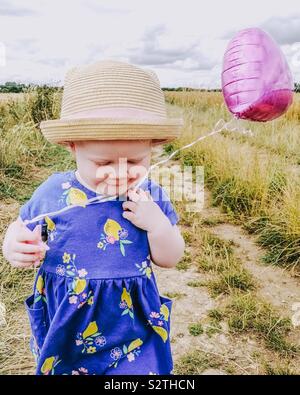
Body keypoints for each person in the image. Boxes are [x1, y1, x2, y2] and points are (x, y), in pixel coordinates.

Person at [2, 60, 185, 375]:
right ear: (73, 146)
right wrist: (12, 244)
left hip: (130, 326)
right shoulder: (52, 192)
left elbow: (170, 257)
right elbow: (19, 228)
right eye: (104, 162)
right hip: (67, 324)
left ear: (153, 147)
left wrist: (157, 225)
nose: (121, 173)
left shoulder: (149, 198)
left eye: (136, 161)